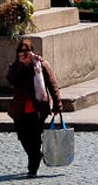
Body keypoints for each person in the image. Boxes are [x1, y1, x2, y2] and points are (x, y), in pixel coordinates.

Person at [6, 39, 62, 177]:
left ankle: (33, 167)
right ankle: (37, 156)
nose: (25, 54)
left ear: (32, 51)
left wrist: (57, 105)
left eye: (27, 50)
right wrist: (21, 65)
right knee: (23, 137)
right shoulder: (16, 66)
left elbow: (52, 84)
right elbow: (11, 80)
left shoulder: (41, 65)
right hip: (20, 109)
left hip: (37, 108)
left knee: (35, 139)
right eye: (21, 51)